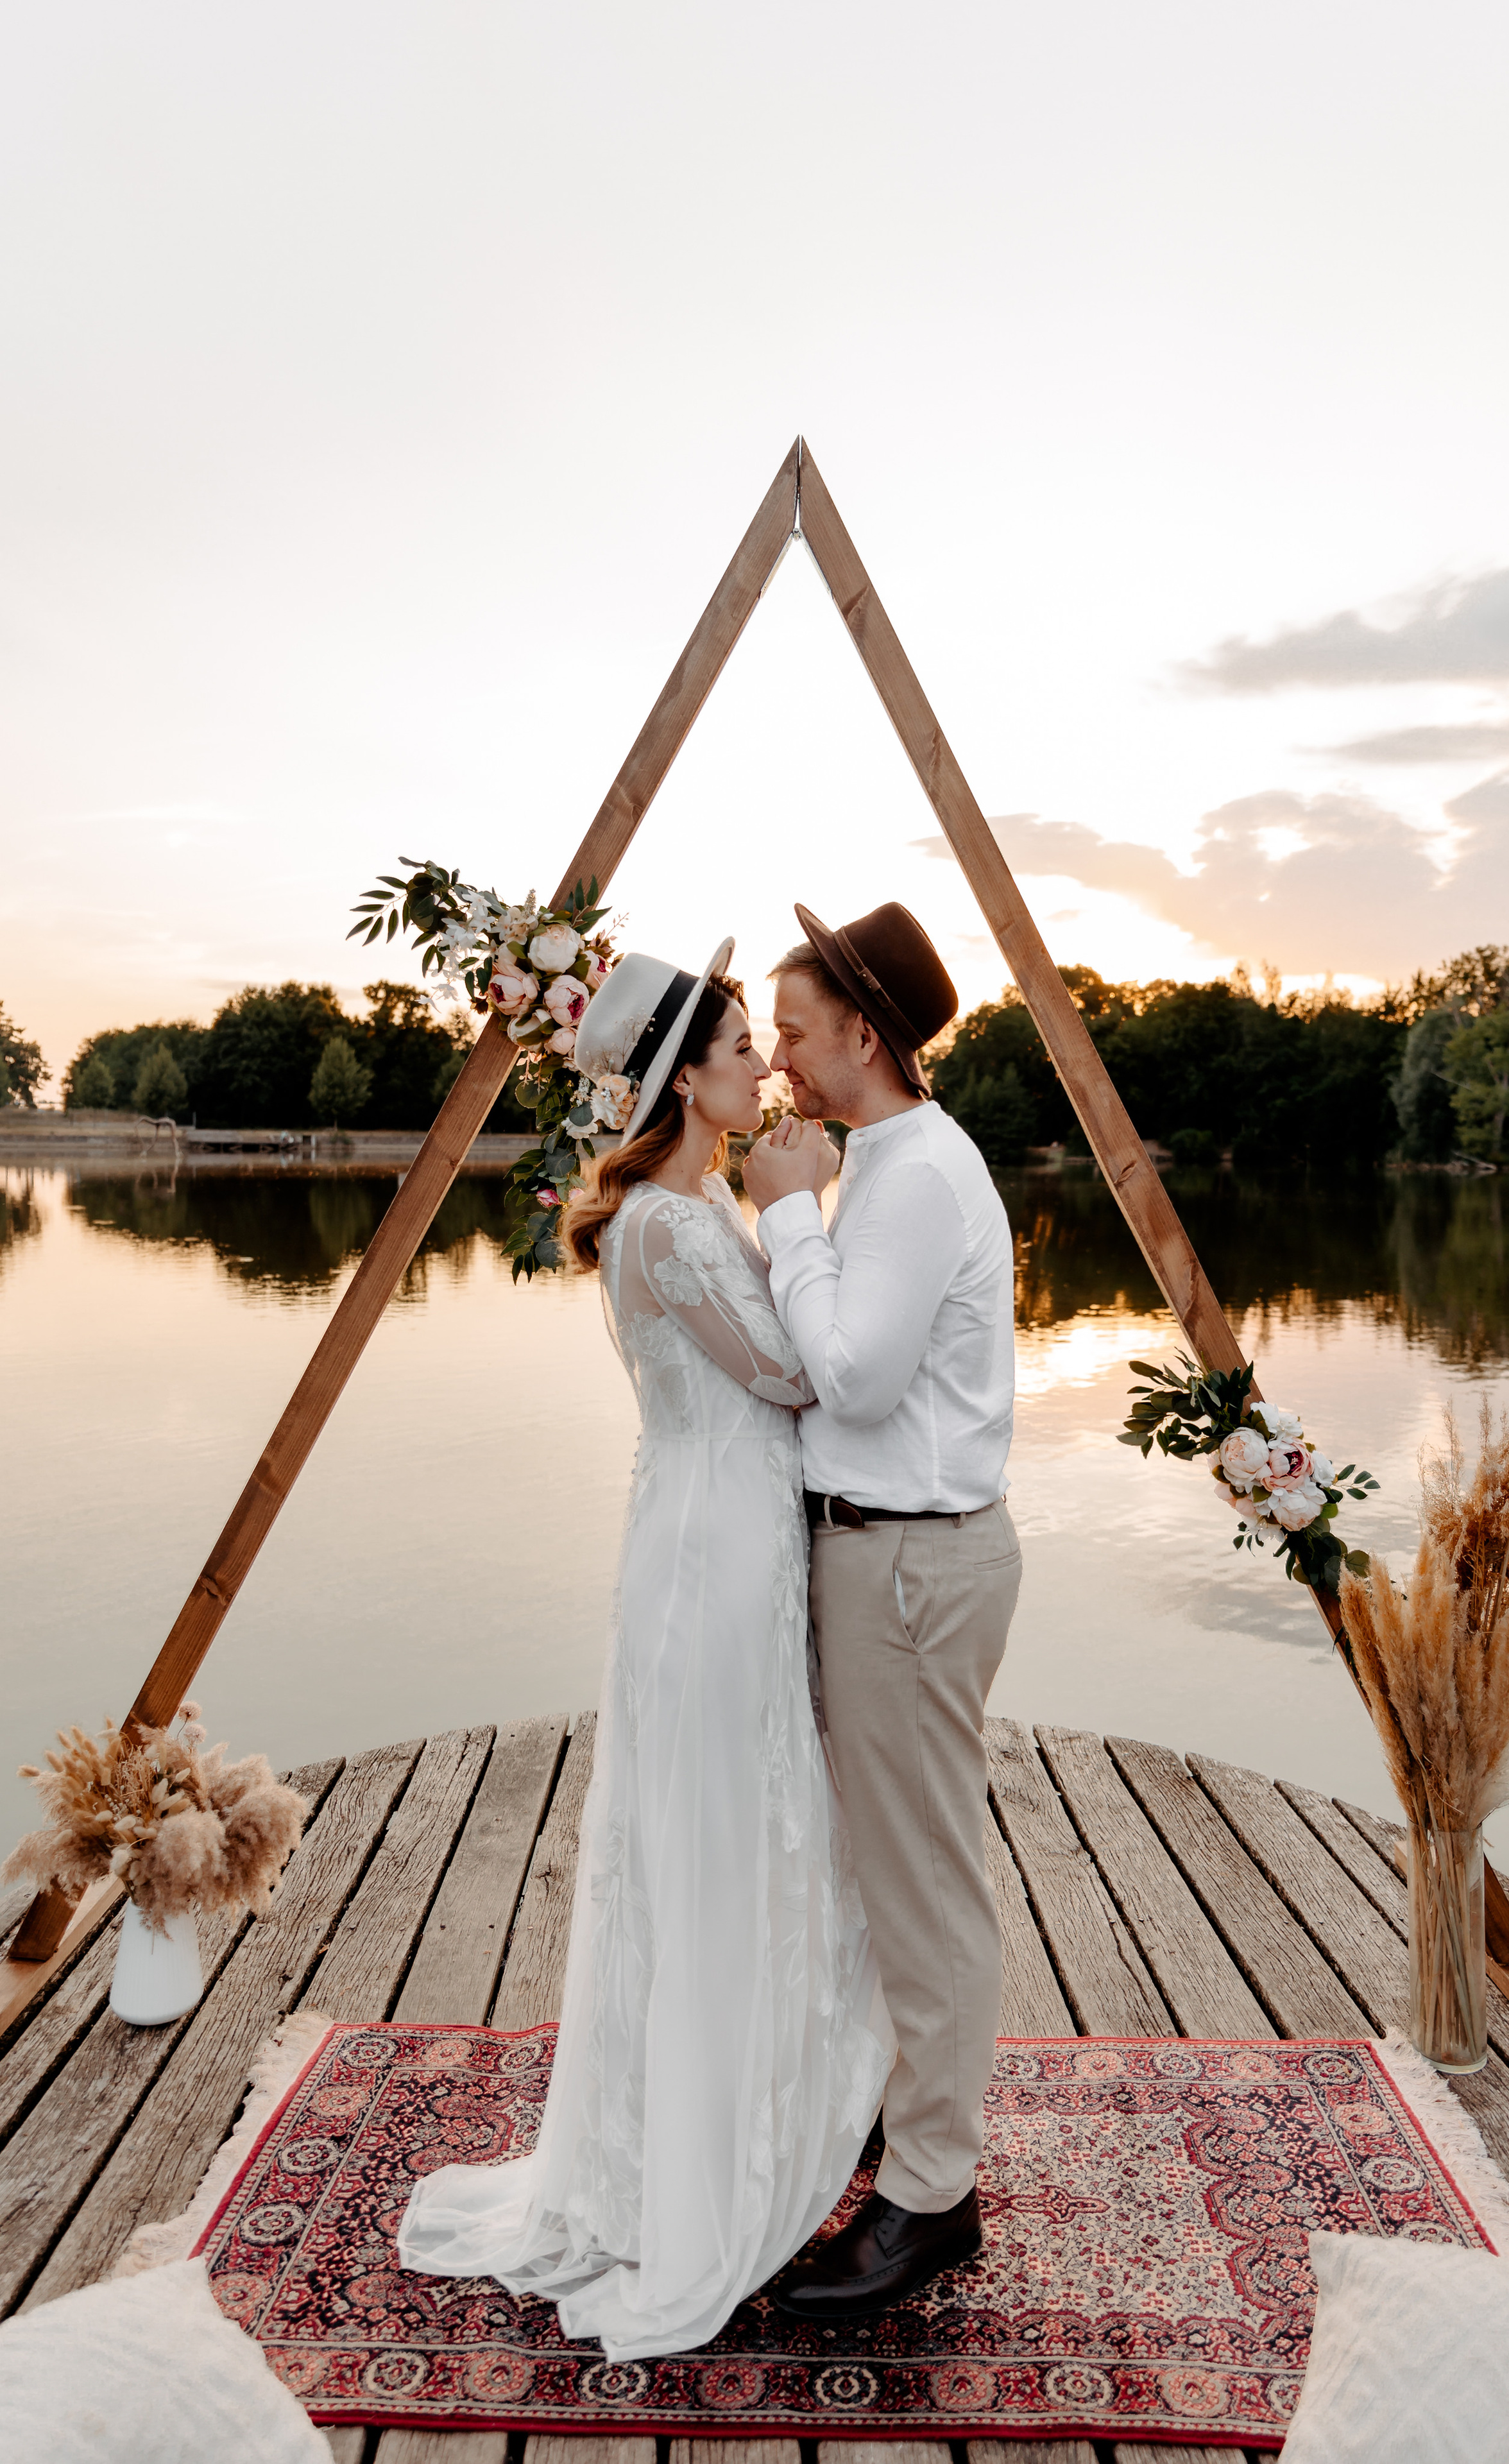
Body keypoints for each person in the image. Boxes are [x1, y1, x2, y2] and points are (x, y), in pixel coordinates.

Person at [397, 939, 892, 2360]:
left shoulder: (679, 1210)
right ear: (687, 1078)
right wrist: (809, 1214)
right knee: (721, 1830)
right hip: (714, 1561)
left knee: (724, 1829)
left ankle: (720, 2109)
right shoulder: (672, 1230)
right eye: (743, 1053)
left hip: (711, 1534)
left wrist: (786, 1214)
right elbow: (799, 1375)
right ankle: (699, 2159)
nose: (765, 1071)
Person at [741, 900, 1020, 2323]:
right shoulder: (890, 1160)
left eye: (792, 1030)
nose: (777, 1058)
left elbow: (850, 1379)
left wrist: (783, 1214)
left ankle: (931, 2197)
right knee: (895, 1865)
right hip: (892, 1556)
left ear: (863, 1033)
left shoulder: (904, 1177)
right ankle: (907, 2125)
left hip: (911, 1564)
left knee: (921, 1882)